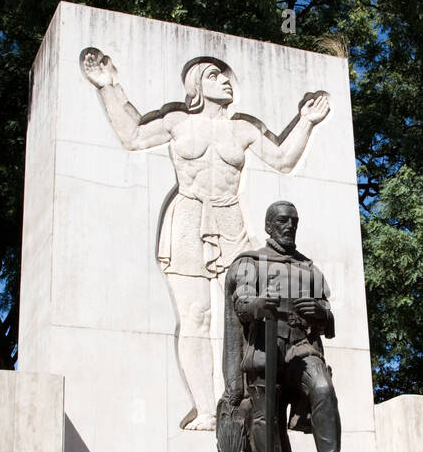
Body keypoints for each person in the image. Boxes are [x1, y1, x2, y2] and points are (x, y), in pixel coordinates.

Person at [81, 48, 329, 429]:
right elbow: (131, 136)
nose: (227, 80)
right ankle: (206, 408)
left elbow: (282, 160)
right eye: (216, 75)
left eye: (228, 76)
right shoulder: (178, 121)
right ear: (197, 84)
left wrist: (307, 122)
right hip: (186, 217)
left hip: (230, 220)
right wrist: (107, 86)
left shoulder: (243, 129)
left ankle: (248, 400)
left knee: (247, 314)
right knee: (196, 316)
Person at [222, 200, 359, 452]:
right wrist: (258, 304)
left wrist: (321, 313)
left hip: (301, 345)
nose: (290, 227)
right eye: (283, 221)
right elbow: (241, 304)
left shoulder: (307, 268)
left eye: (294, 222)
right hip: (265, 345)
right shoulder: (251, 262)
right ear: (269, 226)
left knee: (323, 390)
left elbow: (328, 320)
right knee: (265, 412)